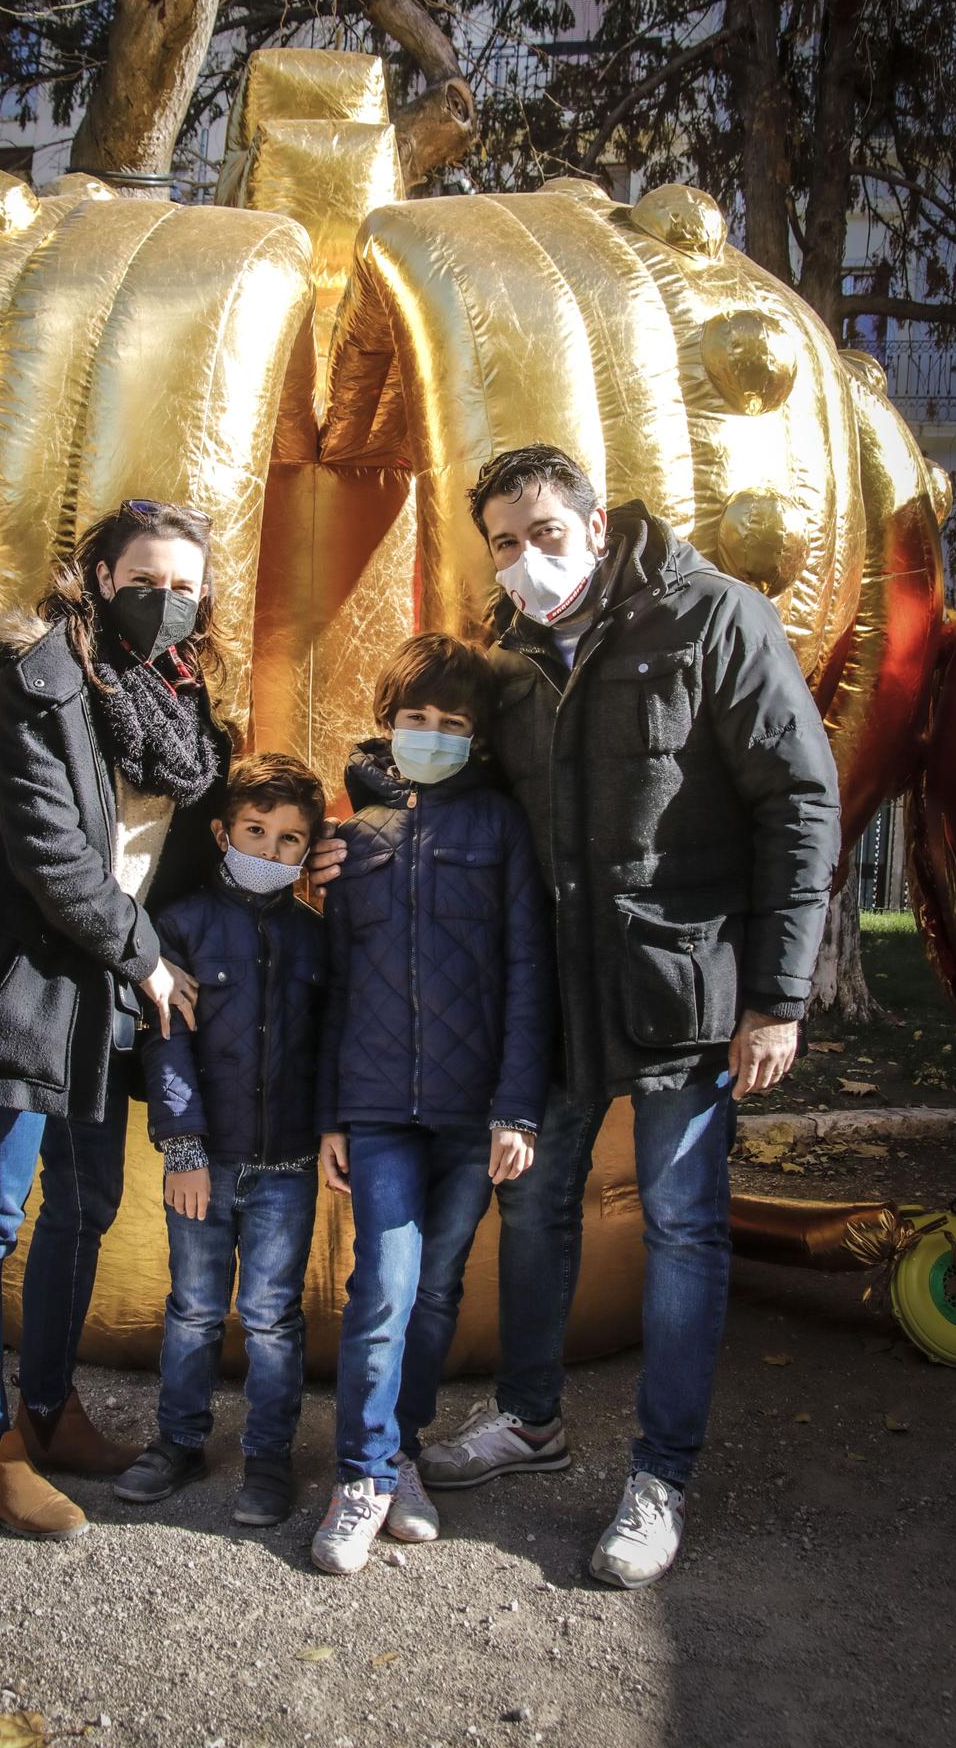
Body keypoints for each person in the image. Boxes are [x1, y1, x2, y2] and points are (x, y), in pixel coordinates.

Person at [312, 445, 842, 1588]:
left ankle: (659, 1474)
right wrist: (360, 811)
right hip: (551, 997)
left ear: (597, 523)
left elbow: (798, 800)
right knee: (539, 1210)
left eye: (544, 530)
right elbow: (444, 769)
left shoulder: (713, 619)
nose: (526, 557)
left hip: (682, 994)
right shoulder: (509, 664)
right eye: (503, 540)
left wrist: (776, 995)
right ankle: (533, 1422)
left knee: (684, 1228)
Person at [0, 499, 230, 1541]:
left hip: (101, 996)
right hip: (17, 986)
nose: (169, 599)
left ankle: (48, 1412)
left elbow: (174, 849)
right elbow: (51, 853)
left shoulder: (176, 698)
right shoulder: (38, 676)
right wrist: (146, 958)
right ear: (99, 575)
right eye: (149, 577)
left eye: (188, 584)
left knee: (84, 1203)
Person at [309, 633, 551, 1577]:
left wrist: (517, 1109)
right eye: (416, 719)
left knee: (438, 1289)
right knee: (384, 1287)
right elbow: (333, 985)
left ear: (477, 737)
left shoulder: (501, 829)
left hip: (470, 1110)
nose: (431, 735)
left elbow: (528, 972)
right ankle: (361, 1474)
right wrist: (330, 1111)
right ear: (389, 722)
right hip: (374, 1110)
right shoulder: (353, 838)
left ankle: (404, 1447)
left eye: (452, 724)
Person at [115, 752, 329, 1529]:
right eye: (255, 831)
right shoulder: (181, 927)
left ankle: (269, 1458)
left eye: (289, 841)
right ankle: (178, 1442)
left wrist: (329, 1130)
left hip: (288, 1166)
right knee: (195, 1309)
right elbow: (167, 1043)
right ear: (221, 832)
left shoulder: (314, 939)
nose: (270, 851)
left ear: (308, 852)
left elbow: (328, 1044)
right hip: (205, 1162)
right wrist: (184, 1148)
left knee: (272, 1318)